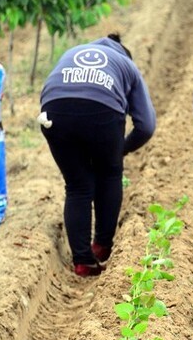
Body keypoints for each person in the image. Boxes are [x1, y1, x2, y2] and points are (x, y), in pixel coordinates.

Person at [39, 33, 156, 277]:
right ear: (124, 52)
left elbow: (49, 90)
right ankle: (101, 247)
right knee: (109, 173)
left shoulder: (72, 53)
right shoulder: (127, 64)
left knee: (78, 186)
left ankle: (83, 262)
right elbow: (146, 126)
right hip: (102, 112)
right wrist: (120, 150)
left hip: (53, 113)